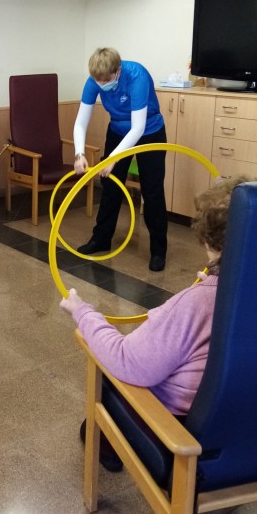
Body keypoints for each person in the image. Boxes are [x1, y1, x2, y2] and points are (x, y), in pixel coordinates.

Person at [60, 174, 251, 472]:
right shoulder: (228, 297)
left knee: (107, 375)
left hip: (185, 441)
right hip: (244, 434)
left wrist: (82, 312)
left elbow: (126, 361)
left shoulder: (195, 304)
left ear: (209, 241)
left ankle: (108, 445)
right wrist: (215, 283)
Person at [73, 47, 168, 272]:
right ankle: (101, 239)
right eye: (98, 80)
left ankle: (158, 250)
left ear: (117, 70)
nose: (102, 84)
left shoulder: (137, 76)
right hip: (117, 130)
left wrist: (112, 158)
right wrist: (79, 153)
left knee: (152, 191)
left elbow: (138, 128)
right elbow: (81, 122)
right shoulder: (94, 81)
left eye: (106, 80)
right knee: (110, 185)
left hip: (149, 131)